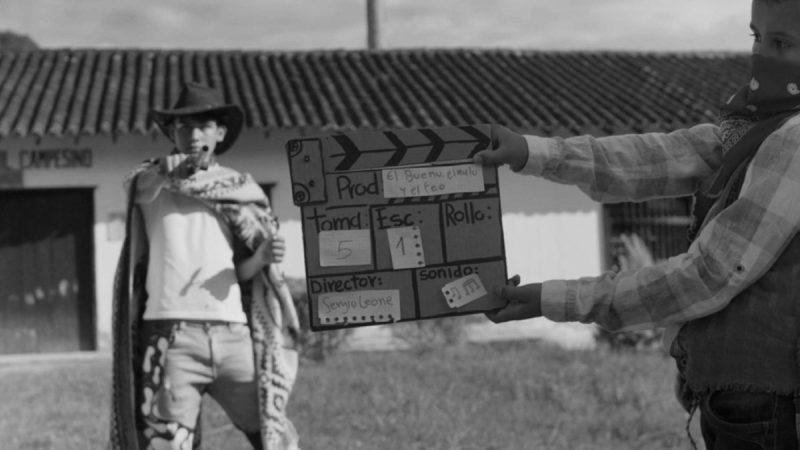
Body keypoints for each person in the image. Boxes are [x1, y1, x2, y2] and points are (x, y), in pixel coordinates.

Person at [474, 1, 800, 448]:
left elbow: (712, 274)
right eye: (756, 36)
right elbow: (660, 157)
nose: (762, 55)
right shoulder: (761, 127)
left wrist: (561, 299)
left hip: (768, 402)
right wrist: (532, 153)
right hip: (747, 394)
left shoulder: (793, 139)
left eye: (781, 43)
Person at [109, 81, 301, 450]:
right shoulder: (150, 184)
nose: (193, 135)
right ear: (171, 133)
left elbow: (242, 274)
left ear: (220, 132)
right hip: (170, 338)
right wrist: (172, 172)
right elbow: (136, 183)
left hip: (233, 336)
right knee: (167, 444)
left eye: (203, 126)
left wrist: (261, 258)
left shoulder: (240, 191)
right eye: (182, 127)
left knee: (274, 436)